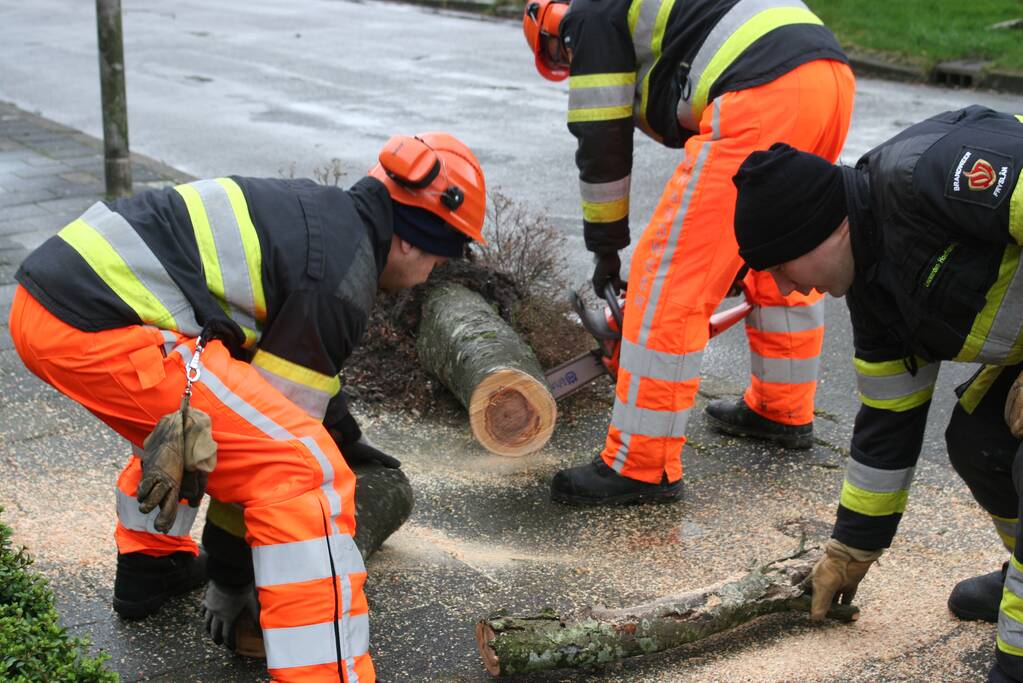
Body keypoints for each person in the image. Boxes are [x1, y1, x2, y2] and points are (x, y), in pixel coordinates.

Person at [8, 131, 486, 683]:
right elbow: (275, 440)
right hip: (93, 325)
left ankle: (151, 565)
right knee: (303, 471)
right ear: (412, 242)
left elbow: (292, 378)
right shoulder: (339, 279)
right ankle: (324, 671)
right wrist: (232, 579)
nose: (429, 277)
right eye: (439, 260)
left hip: (53, 305)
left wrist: (350, 437)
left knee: (208, 420)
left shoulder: (331, 224)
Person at [731, 105, 1023, 683]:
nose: (789, 287)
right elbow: (889, 424)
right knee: (977, 440)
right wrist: (851, 549)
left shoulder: (934, 179)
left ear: (821, 228)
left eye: (782, 267)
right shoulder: (874, 292)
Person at [522, 0, 855, 505]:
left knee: (669, 280)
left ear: (552, 32)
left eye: (565, 61)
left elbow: (602, 140)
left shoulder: (586, 19)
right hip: (827, 79)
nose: (573, 68)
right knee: (781, 250)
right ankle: (781, 408)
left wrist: (607, 249)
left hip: (762, 90)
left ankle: (640, 464)